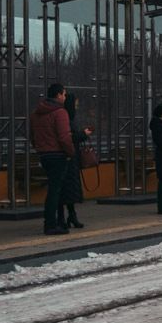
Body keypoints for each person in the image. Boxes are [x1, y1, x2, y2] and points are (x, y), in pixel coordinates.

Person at [30, 83, 74, 235]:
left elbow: (32, 135)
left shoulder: (36, 113)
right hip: (58, 154)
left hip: (44, 155)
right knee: (55, 191)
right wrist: (71, 152)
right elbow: (64, 137)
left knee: (53, 189)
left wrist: (40, 148)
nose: (65, 97)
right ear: (58, 95)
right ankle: (50, 224)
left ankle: (56, 222)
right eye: (64, 94)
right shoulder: (60, 112)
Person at [60, 93, 92, 228]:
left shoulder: (67, 117)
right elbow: (68, 138)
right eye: (76, 104)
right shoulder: (64, 117)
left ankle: (70, 216)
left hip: (71, 157)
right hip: (67, 157)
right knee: (65, 189)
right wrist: (83, 135)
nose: (77, 106)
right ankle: (67, 217)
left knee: (67, 189)